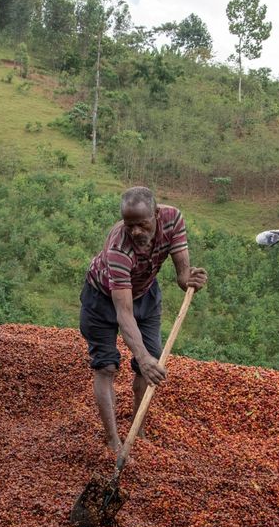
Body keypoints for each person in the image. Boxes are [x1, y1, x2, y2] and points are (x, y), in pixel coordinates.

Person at [79, 186, 207, 461]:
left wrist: (190, 279)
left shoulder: (173, 220)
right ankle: (114, 442)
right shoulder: (118, 249)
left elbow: (182, 275)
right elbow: (123, 313)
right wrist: (142, 356)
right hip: (102, 299)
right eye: (130, 225)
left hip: (145, 294)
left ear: (157, 214)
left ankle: (139, 431)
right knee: (106, 366)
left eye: (142, 223)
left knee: (147, 365)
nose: (136, 231)